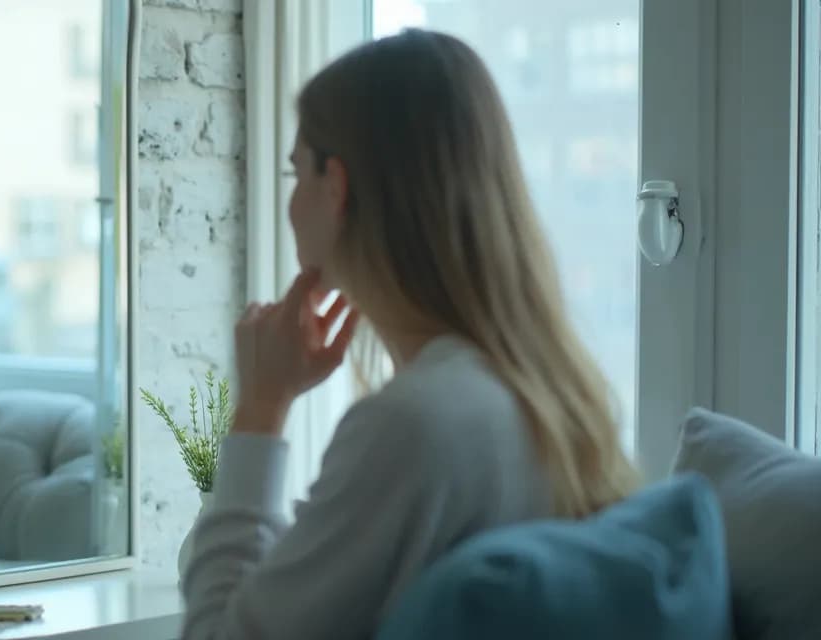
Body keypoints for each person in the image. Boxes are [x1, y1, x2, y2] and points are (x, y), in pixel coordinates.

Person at [181, 29, 641, 639]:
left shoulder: (411, 425)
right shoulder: (545, 393)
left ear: (336, 187)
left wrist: (262, 407)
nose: (290, 205)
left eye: (295, 173)